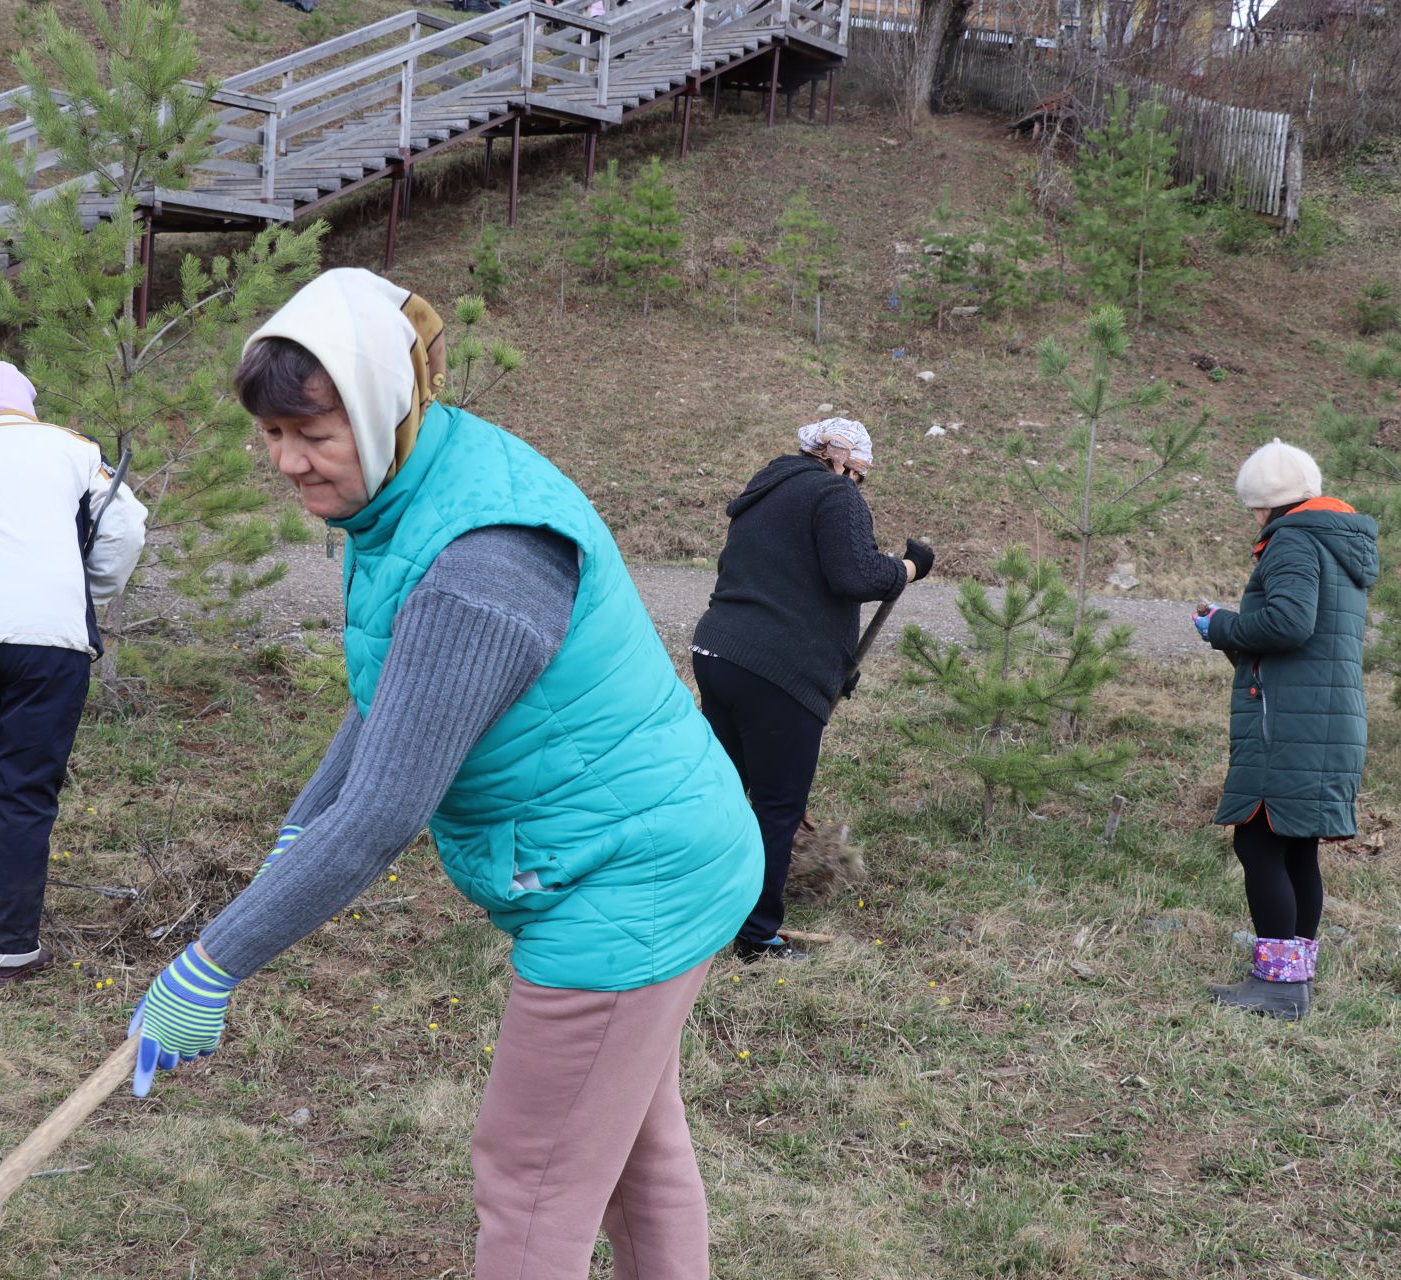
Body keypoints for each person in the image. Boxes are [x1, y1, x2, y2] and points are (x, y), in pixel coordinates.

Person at [126, 268, 761, 1280]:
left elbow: (384, 813)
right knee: (635, 1149)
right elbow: (399, 685)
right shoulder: (413, 481)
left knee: (532, 1181)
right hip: (666, 838)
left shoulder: (481, 560)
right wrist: (303, 822)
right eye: (272, 434)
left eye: (312, 433)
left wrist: (211, 963)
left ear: (379, 409)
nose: (287, 461)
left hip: (628, 875)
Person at [0, 362, 148, 986]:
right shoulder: (75, 449)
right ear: (28, 406)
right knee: (23, 791)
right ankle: (10, 950)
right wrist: (84, 590)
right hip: (51, 643)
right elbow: (126, 527)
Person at [689, 418, 934, 963]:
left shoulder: (765, 489)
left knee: (721, 791)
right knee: (776, 807)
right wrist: (910, 567)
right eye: (859, 475)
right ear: (839, 458)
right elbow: (856, 575)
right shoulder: (832, 493)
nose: (859, 486)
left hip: (719, 653)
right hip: (776, 672)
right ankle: (756, 937)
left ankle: (693, 908)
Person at [1194, 438, 1377, 1021]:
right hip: (1325, 718)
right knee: (1296, 847)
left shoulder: (1294, 540)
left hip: (1290, 722)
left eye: (1253, 506)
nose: (1253, 517)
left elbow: (1290, 624)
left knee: (1257, 838)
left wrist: (1219, 624)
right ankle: (1293, 984)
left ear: (1268, 503)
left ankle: (1275, 988)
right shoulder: (1336, 543)